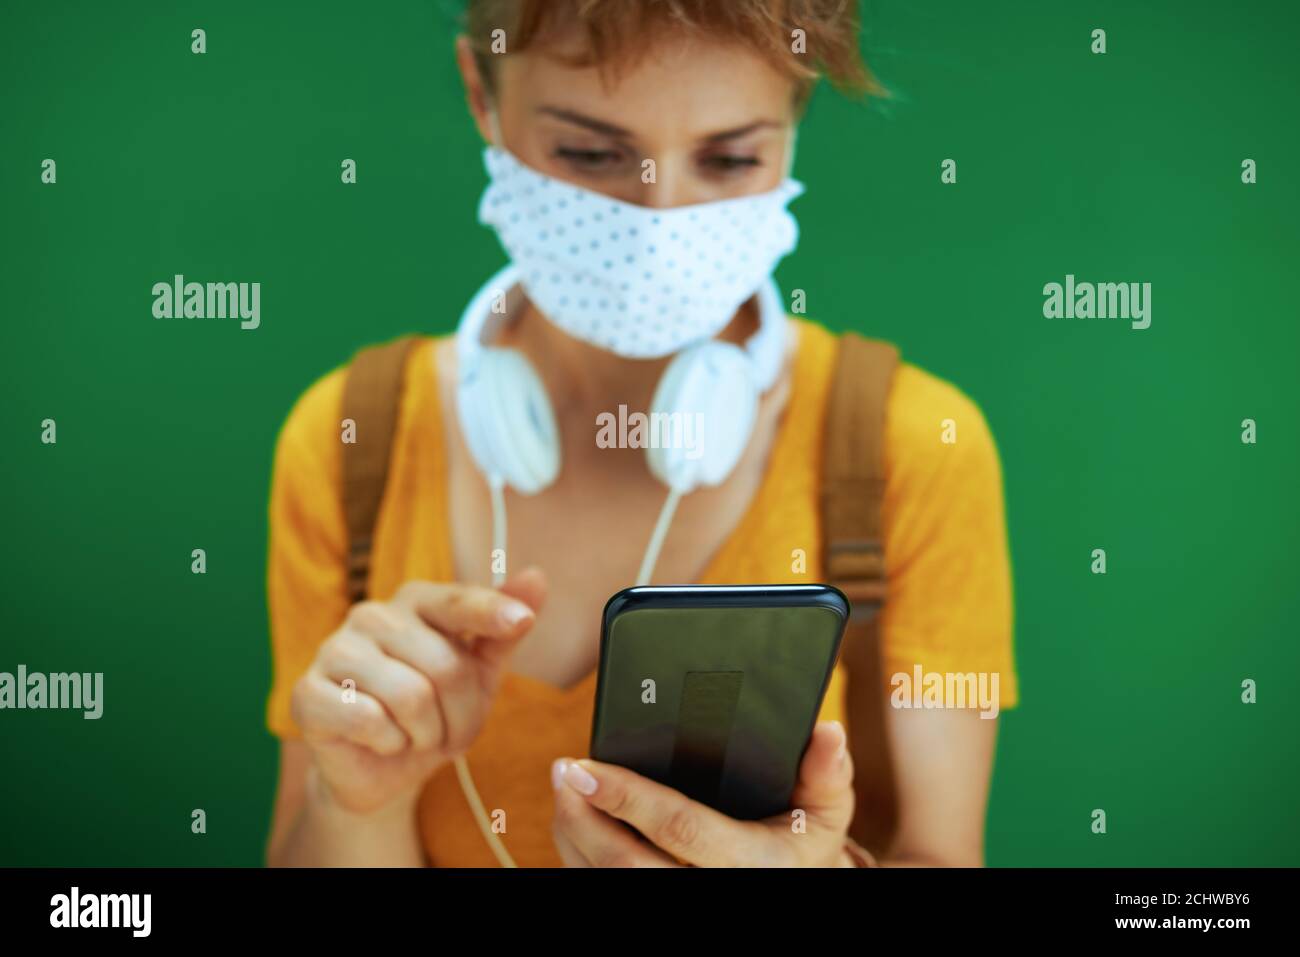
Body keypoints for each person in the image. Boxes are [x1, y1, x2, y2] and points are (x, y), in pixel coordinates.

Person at [264, 0, 1016, 868]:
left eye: (730, 158)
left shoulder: (911, 448)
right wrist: (354, 801)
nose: (660, 219)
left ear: (796, 117)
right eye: (590, 152)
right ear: (484, 93)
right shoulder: (352, 439)